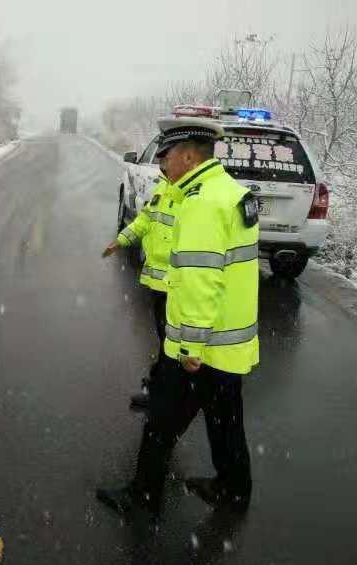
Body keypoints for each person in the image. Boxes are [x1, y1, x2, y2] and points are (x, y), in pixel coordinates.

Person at [97, 116, 260, 516]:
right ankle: (234, 490)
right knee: (225, 419)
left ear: (188, 154)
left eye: (167, 154)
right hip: (228, 342)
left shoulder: (202, 203)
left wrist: (189, 347)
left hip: (200, 346)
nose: (162, 162)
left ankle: (142, 499)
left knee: (161, 422)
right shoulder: (230, 192)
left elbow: (200, 282)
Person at [102, 156, 182, 412]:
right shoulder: (165, 188)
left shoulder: (193, 197)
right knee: (167, 340)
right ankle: (163, 391)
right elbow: (147, 218)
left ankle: (164, 397)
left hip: (178, 284)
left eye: (167, 158)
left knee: (173, 343)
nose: (162, 165)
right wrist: (122, 239)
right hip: (160, 282)